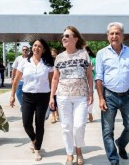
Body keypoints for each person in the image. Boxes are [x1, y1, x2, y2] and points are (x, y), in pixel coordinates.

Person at [95, 22, 129, 165]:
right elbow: (99, 77)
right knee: (107, 130)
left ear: (123, 36)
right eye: (111, 33)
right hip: (109, 95)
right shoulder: (101, 54)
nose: (114, 36)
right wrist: (101, 98)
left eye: (117, 33)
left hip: (127, 96)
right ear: (108, 36)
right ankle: (114, 160)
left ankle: (121, 143)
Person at [49, 26, 93, 165]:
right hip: (63, 96)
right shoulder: (59, 57)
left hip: (81, 96)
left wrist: (91, 92)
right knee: (66, 126)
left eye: (67, 36)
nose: (64, 38)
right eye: (63, 36)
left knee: (79, 125)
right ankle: (69, 154)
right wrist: (51, 97)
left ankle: (79, 150)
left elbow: (89, 75)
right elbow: (55, 78)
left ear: (75, 38)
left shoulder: (84, 54)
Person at [10, 39, 54, 161]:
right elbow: (16, 80)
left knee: (40, 124)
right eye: (34, 45)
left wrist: (52, 97)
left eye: (39, 46)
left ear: (43, 49)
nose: (36, 48)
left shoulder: (48, 64)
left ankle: (37, 150)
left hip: (43, 97)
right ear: (32, 48)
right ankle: (34, 139)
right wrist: (12, 95)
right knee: (26, 123)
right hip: (28, 96)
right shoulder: (24, 62)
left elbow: (51, 82)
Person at [85, 45, 96, 122]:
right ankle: (84, 115)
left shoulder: (94, 60)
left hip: (91, 80)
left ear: (88, 51)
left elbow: (98, 69)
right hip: (81, 81)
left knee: (90, 97)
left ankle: (90, 113)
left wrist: (92, 68)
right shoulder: (79, 59)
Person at [49, 48, 59, 123]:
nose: (53, 56)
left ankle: (57, 113)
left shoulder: (59, 61)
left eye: (54, 54)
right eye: (51, 55)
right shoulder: (48, 63)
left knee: (57, 100)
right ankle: (53, 115)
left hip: (59, 84)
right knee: (52, 99)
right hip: (50, 84)